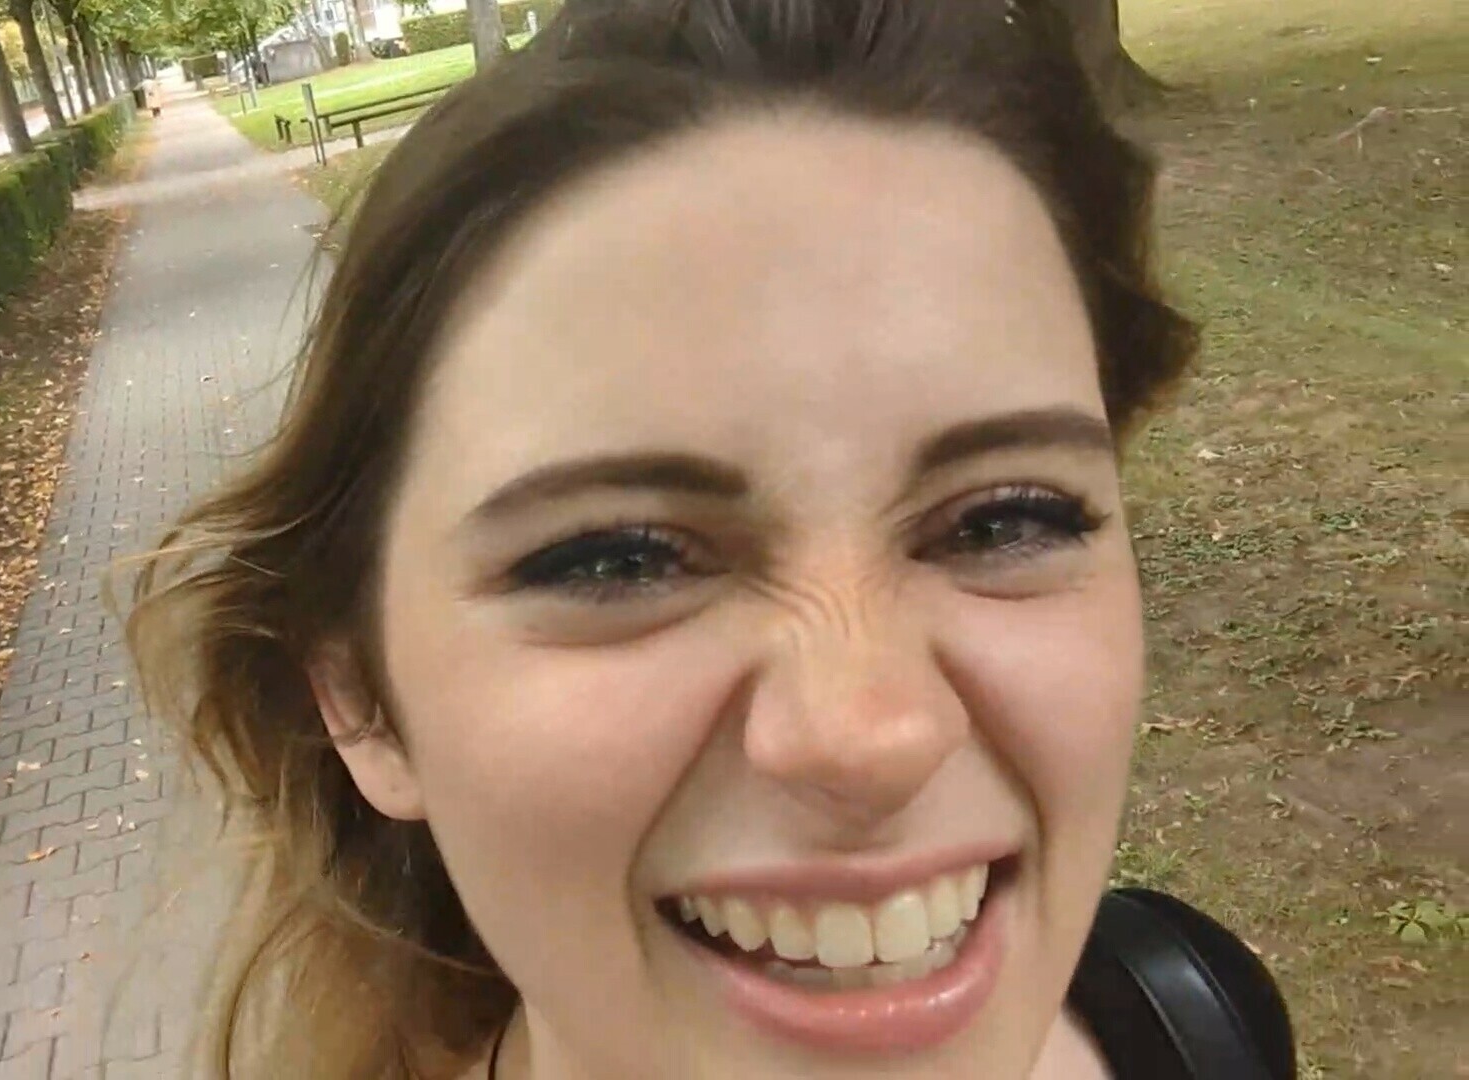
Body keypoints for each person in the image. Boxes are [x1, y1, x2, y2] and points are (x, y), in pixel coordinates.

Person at [125, 0, 1297, 1077]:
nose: (869, 735)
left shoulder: (1188, 1024)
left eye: (1006, 520)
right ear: (358, 701)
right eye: (618, 560)